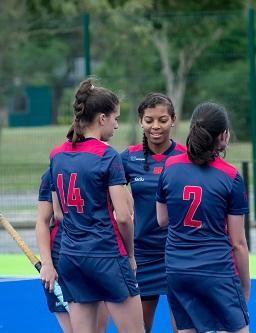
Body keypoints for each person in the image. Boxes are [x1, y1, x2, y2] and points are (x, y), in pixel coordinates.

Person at [49, 79, 143, 333]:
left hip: (71, 256)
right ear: (102, 118)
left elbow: (58, 213)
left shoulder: (57, 155)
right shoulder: (107, 155)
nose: (116, 124)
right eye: (115, 117)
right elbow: (123, 216)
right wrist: (131, 255)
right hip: (107, 254)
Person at [156, 102, 250, 333]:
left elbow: (162, 220)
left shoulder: (169, 166)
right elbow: (237, 243)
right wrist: (245, 285)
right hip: (216, 270)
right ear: (223, 136)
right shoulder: (230, 176)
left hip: (178, 269)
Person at [121, 93, 185, 333]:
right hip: (142, 255)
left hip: (178, 252)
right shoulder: (127, 158)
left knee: (183, 327)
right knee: (141, 327)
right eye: (149, 120)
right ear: (140, 121)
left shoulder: (186, 156)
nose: (156, 126)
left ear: (173, 121)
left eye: (162, 119)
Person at [36, 169, 110, 333]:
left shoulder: (105, 168)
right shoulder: (52, 173)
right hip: (61, 262)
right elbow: (42, 221)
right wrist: (47, 264)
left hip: (98, 259)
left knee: (98, 329)